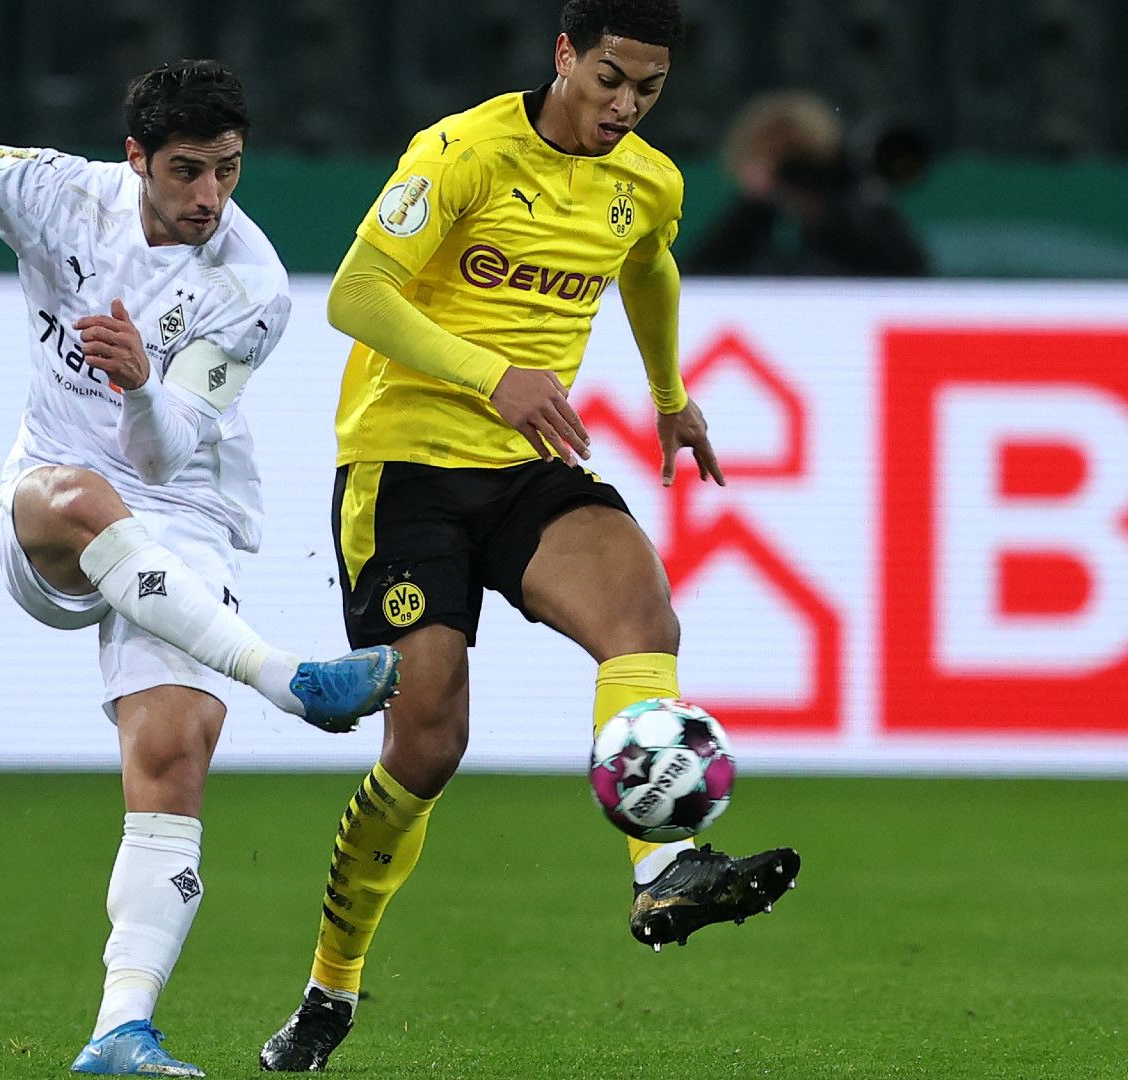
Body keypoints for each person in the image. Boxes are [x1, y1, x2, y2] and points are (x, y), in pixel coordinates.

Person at [256, 2, 800, 1070]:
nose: (625, 105)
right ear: (562, 56)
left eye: (647, 87)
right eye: (608, 78)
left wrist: (669, 394)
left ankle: (662, 869)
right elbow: (357, 295)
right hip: (404, 469)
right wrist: (490, 374)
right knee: (427, 746)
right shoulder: (458, 152)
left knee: (643, 614)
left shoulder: (649, 179)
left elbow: (648, 264)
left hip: (528, 469)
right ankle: (332, 986)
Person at [0, 60, 400, 1078]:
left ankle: (120, 1030)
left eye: (228, 171)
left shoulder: (254, 287)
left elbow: (163, 453)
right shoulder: (62, 194)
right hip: (51, 508)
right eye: (187, 171)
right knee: (78, 496)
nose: (209, 197)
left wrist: (140, 383)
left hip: (179, 502)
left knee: (174, 758)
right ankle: (285, 678)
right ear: (137, 160)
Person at [683, 90, 930, 277]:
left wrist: (823, 211)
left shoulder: (860, 206)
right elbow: (701, 271)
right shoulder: (749, 218)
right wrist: (754, 206)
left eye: (796, 152)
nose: (788, 167)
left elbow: (908, 267)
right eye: (774, 152)